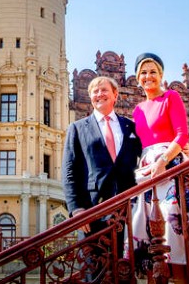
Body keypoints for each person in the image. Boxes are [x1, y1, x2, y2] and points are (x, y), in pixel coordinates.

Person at [131, 52, 189, 280]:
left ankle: (183, 274)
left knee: (173, 219)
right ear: (137, 77)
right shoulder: (138, 110)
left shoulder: (171, 97)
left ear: (161, 75)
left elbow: (182, 136)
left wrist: (163, 162)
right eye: (143, 72)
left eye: (153, 71)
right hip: (146, 169)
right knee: (147, 222)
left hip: (169, 167)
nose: (148, 76)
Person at [63, 75, 142, 271]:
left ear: (115, 94)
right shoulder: (77, 128)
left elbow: (144, 158)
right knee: (95, 272)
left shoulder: (130, 127)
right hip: (92, 211)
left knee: (125, 271)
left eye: (104, 90)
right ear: (90, 97)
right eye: (94, 92)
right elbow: (69, 170)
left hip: (128, 209)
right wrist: (76, 209)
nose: (99, 94)